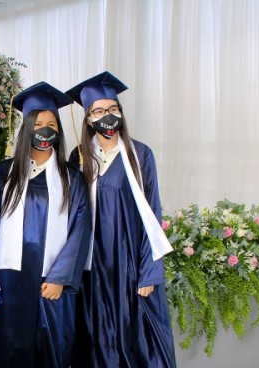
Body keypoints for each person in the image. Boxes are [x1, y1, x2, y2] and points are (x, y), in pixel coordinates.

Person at [65, 71, 176, 368]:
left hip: (128, 265)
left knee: (133, 338)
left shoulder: (140, 154)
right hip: (91, 267)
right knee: (93, 336)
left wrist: (149, 272)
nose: (107, 116)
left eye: (113, 109)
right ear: (89, 119)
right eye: (98, 111)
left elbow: (152, 212)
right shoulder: (79, 157)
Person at [0, 82, 92, 368]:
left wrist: (61, 278)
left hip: (51, 284)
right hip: (9, 284)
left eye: (51, 124)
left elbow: (80, 230)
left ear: (58, 131)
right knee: (8, 352)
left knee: (51, 352)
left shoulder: (71, 179)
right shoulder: (2, 174)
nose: (45, 130)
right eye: (38, 123)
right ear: (26, 130)